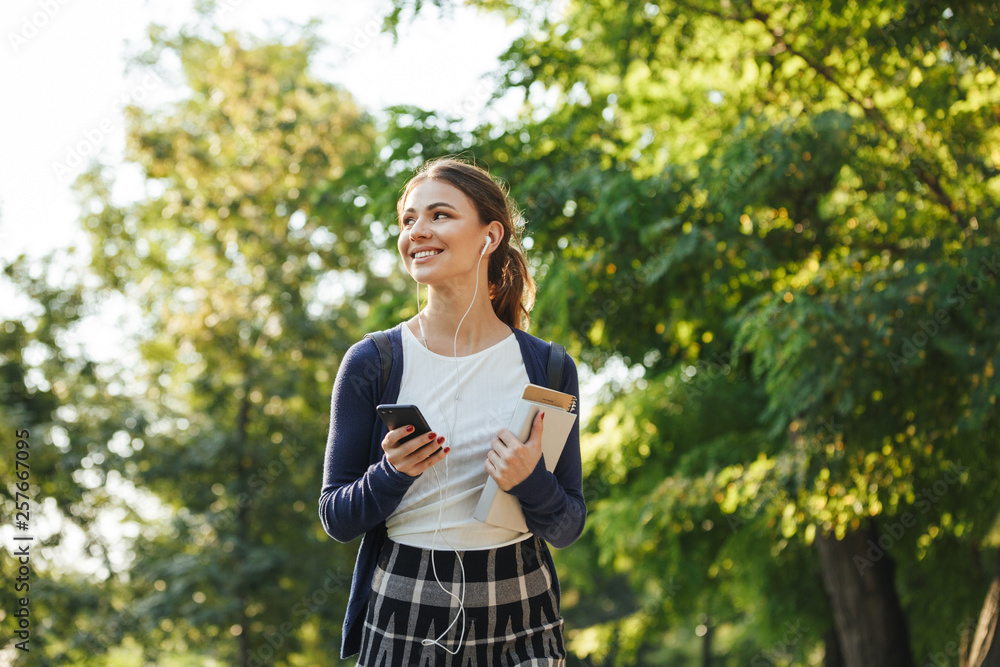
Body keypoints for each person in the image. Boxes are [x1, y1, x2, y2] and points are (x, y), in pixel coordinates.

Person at [318, 157, 586, 665]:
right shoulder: (372, 363)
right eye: (408, 220)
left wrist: (531, 481)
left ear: (490, 236)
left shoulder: (548, 367)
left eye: (439, 215)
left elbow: (568, 524)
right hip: (404, 604)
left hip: (522, 607)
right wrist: (393, 473)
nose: (418, 230)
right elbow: (336, 517)